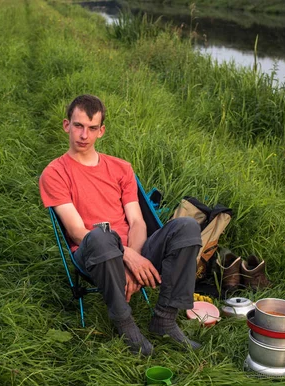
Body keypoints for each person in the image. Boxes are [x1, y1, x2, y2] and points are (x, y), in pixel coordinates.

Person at [39, 94, 202, 355]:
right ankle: (125, 324)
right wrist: (127, 258)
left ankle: (165, 319)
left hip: (134, 248)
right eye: (78, 126)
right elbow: (77, 232)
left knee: (187, 227)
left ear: (101, 131)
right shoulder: (55, 173)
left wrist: (134, 257)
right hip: (94, 253)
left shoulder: (120, 168)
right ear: (66, 125)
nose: (84, 135)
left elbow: (137, 221)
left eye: (92, 128)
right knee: (100, 236)